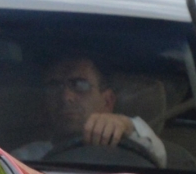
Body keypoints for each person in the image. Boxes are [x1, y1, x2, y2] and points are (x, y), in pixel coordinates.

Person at [19, 55, 168, 167]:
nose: (66, 97)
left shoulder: (131, 151)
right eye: (54, 86)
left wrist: (127, 125)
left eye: (79, 85)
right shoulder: (26, 158)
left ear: (108, 101)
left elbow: (159, 157)